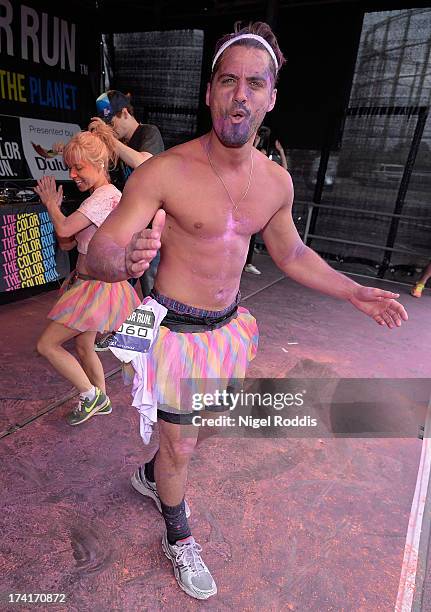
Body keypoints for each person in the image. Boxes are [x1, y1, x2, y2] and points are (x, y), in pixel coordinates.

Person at [86, 22, 408, 600]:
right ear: (209, 92)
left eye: (254, 84)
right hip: (172, 331)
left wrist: (352, 290)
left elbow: (291, 252)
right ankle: (178, 534)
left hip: (229, 329)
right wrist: (121, 259)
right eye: (228, 81)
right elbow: (104, 247)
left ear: (271, 97)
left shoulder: (277, 183)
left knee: (203, 428)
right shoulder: (164, 171)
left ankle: (149, 475)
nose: (240, 95)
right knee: (182, 443)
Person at [35, 123, 141, 426]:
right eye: (69, 168)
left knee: (47, 345)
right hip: (88, 284)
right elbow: (68, 241)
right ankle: (101, 399)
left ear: (99, 164)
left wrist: (52, 206)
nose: (72, 175)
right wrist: (59, 217)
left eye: (78, 167)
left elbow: (65, 228)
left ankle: (89, 394)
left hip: (95, 288)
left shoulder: (106, 196)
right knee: (82, 345)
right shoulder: (98, 196)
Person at [93, 91, 165, 350]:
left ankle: (151, 340)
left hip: (152, 226)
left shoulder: (148, 133)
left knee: (151, 286)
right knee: (117, 282)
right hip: (130, 225)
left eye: (112, 124)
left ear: (125, 113)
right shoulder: (120, 141)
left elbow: (143, 163)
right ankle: (118, 333)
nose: (111, 131)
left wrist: (110, 141)